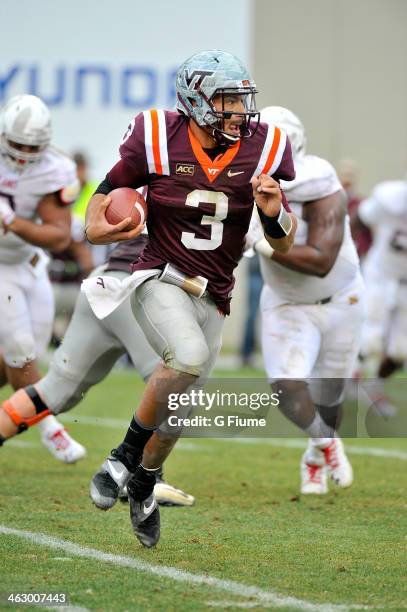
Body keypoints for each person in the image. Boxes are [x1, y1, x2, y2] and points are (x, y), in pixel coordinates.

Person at [83, 50, 297, 547]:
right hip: (159, 274)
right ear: (197, 100)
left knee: (180, 411)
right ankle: (122, 456)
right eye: (227, 100)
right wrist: (99, 228)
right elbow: (109, 188)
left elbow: (285, 244)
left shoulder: (265, 148)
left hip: (216, 293)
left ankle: (142, 483)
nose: (239, 112)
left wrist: (271, 212)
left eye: (242, 101)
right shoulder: (158, 134)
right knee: (188, 357)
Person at [0, 234, 195, 507]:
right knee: (173, 387)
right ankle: (145, 478)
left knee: (55, 389)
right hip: (141, 287)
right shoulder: (215, 197)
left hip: (103, 283)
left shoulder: (153, 191)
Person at [248, 106, 365, 495]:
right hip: (285, 301)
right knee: (286, 387)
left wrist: (262, 245)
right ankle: (328, 444)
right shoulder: (239, 182)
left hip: (339, 299)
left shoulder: (318, 179)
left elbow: (320, 261)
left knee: (329, 395)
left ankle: (314, 457)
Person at [0, 94, 85, 463]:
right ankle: (52, 429)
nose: (22, 153)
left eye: (31, 146)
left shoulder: (56, 167)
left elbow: (60, 235)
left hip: (30, 264)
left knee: (20, 361)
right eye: (17, 143)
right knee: (20, 349)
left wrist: (10, 221)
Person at [351, 178, 407, 416]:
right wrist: (347, 254)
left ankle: (374, 386)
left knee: (400, 351)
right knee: (371, 337)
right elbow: (358, 219)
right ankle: (349, 374)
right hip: (380, 274)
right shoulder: (390, 199)